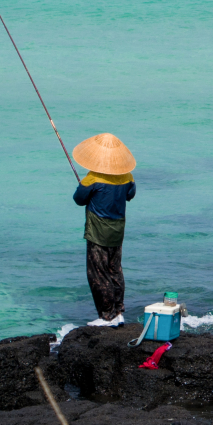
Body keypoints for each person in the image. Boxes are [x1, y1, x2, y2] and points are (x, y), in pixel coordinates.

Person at [70, 132, 137, 327]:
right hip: (118, 230)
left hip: (98, 231)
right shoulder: (128, 176)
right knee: (115, 270)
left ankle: (106, 316)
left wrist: (84, 185)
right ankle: (118, 312)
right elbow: (130, 195)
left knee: (98, 273)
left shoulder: (92, 178)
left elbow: (78, 199)